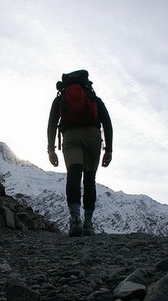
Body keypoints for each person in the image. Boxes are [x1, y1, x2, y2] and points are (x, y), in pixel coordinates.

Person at [47, 70, 113, 237]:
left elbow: (52, 124)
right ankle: (88, 223)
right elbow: (107, 122)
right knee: (89, 178)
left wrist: (51, 149)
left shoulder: (60, 99)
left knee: (74, 175)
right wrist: (109, 149)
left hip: (70, 137)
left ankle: (75, 220)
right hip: (93, 136)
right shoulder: (92, 98)